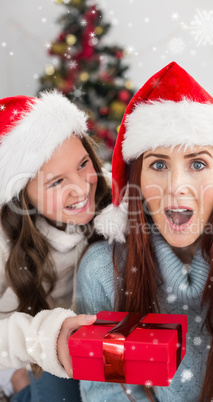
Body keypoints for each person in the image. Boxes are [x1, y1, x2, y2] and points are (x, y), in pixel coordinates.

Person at [76, 61, 213, 401]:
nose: (176, 186)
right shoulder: (103, 271)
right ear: (136, 180)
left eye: (197, 163)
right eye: (159, 164)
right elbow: (107, 392)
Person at [0, 91, 110, 402]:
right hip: (47, 347)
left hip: (103, 335)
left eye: (83, 164)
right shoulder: (5, 242)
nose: (80, 187)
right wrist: (40, 340)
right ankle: (20, 388)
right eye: (56, 182)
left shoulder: (111, 193)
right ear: (24, 196)